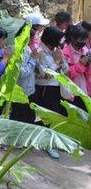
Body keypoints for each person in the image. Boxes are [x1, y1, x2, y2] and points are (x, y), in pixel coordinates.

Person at [34, 25, 69, 159]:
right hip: (45, 88)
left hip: (57, 88)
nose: (61, 43)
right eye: (59, 40)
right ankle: (46, 144)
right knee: (47, 117)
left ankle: (52, 141)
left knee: (56, 116)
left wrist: (61, 60)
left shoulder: (56, 51)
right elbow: (45, 74)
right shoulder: (39, 52)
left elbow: (66, 70)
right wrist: (57, 61)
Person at [10, 22, 39, 124]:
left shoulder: (26, 49)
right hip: (22, 90)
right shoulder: (22, 50)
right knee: (21, 118)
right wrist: (33, 59)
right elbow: (22, 73)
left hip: (27, 89)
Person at [62, 23, 90, 95]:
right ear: (72, 38)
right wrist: (81, 64)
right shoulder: (65, 53)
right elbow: (66, 74)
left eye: (85, 39)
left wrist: (88, 65)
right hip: (72, 93)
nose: (83, 42)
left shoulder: (85, 51)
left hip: (85, 91)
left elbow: (88, 73)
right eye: (81, 39)